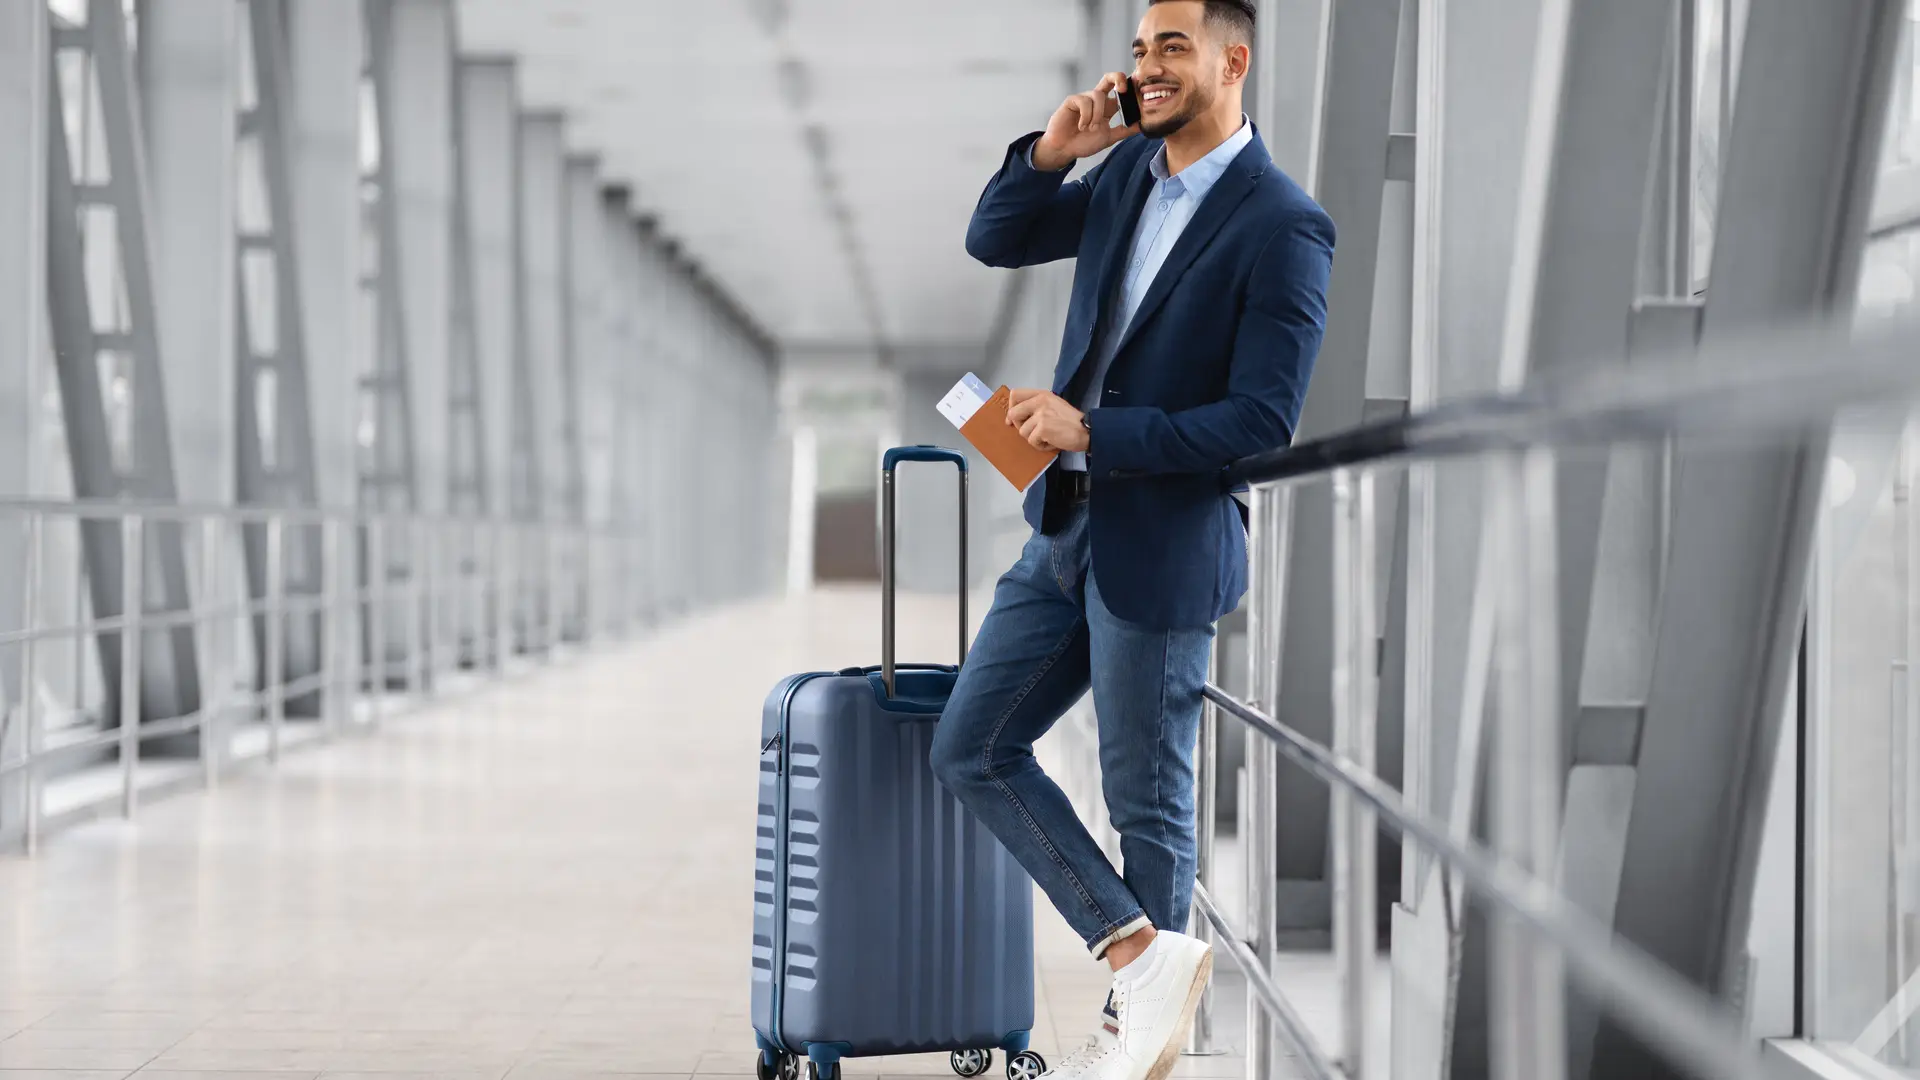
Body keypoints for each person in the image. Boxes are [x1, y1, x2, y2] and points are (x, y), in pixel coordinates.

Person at [931, 2, 1335, 1078]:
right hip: (1062, 529)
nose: (1146, 67)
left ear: (1231, 60)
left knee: (1145, 803)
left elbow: (1262, 421)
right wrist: (1054, 152)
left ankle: (1141, 1034)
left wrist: (1094, 430)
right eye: (1139, 48)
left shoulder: (1281, 225)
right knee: (970, 744)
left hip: (1163, 540)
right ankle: (1139, 961)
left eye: (1171, 46)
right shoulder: (1119, 178)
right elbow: (996, 238)